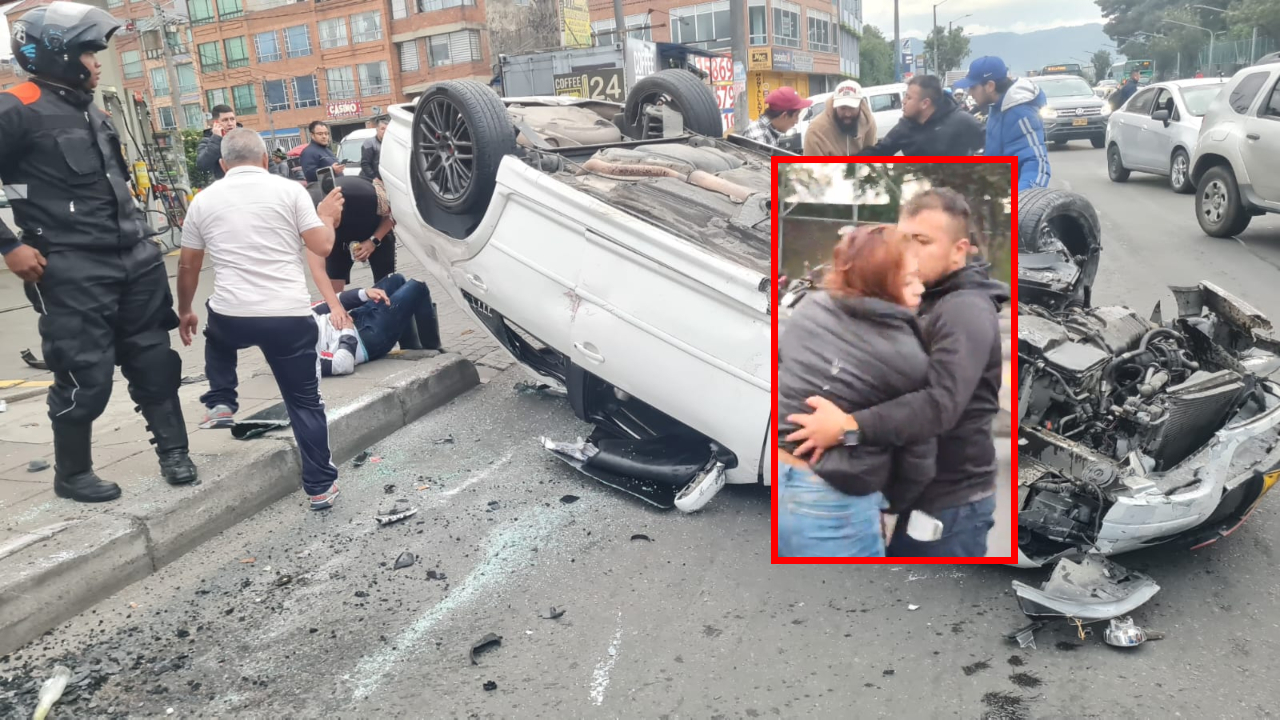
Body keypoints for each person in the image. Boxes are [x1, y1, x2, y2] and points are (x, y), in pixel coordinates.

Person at [0, 1, 197, 503]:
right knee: (84, 375)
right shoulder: (14, 108)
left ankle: (175, 452)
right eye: (88, 51)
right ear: (57, 54)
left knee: (155, 362)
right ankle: (72, 473)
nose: (96, 61)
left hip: (135, 258)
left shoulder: (92, 107)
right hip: (69, 267)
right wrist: (9, 246)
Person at [785, 189, 1010, 557]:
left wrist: (848, 429)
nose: (909, 251)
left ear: (959, 249)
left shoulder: (964, 311)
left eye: (922, 241)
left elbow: (940, 404)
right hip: (907, 492)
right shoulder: (913, 297)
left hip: (949, 501)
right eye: (904, 239)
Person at [175, 128, 350, 511]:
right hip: (286, 316)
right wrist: (327, 218)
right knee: (305, 404)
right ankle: (320, 487)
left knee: (216, 333)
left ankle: (221, 400)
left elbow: (189, 265)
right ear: (266, 160)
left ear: (222, 165)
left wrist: (184, 308)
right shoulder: (289, 192)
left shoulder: (203, 201)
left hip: (232, 314)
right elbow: (321, 246)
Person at [776, 225, 935, 557]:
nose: (920, 288)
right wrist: (896, 505)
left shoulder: (810, 307)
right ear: (879, 285)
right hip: (832, 502)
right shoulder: (905, 354)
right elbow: (917, 453)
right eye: (907, 281)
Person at [312, 273, 442, 376]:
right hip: (366, 339)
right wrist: (347, 331)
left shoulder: (294, 313)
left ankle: (411, 346)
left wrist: (364, 293)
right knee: (418, 286)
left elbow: (328, 303)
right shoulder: (297, 357)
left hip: (357, 316)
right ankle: (433, 347)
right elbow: (342, 365)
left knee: (396, 279)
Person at [954, 56, 1050, 190]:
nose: (969, 92)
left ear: (990, 86)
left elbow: (1037, 166)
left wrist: (1020, 202)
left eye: (973, 87)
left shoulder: (1021, 114)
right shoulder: (997, 107)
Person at [307, 175, 396, 292]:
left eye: (330, 222)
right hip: (339, 238)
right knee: (333, 287)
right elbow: (318, 269)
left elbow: (392, 215)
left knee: (385, 287)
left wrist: (373, 241)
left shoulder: (364, 196)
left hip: (375, 231)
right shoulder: (306, 211)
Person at [858, 75, 985, 157]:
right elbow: (880, 152)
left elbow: (990, 147)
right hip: (919, 189)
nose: (903, 101)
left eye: (908, 97)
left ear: (925, 103)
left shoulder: (962, 121)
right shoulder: (905, 126)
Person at [803, 80, 877, 156]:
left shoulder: (868, 123)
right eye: (843, 108)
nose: (847, 114)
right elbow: (812, 166)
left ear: (860, 105)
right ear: (834, 106)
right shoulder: (816, 131)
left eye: (852, 108)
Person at [740, 86, 811, 148]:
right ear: (784, 116)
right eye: (796, 116)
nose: (797, 121)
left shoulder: (770, 131)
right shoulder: (760, 137)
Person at [196, 104, 241, 182]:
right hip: (224, 186)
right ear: (216, 123)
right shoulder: (208, 141)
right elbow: (203, 165)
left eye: (232, 119)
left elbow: (266, 161)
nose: (230, 123)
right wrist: (216, 138)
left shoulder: (246, 137)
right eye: (225, 120)